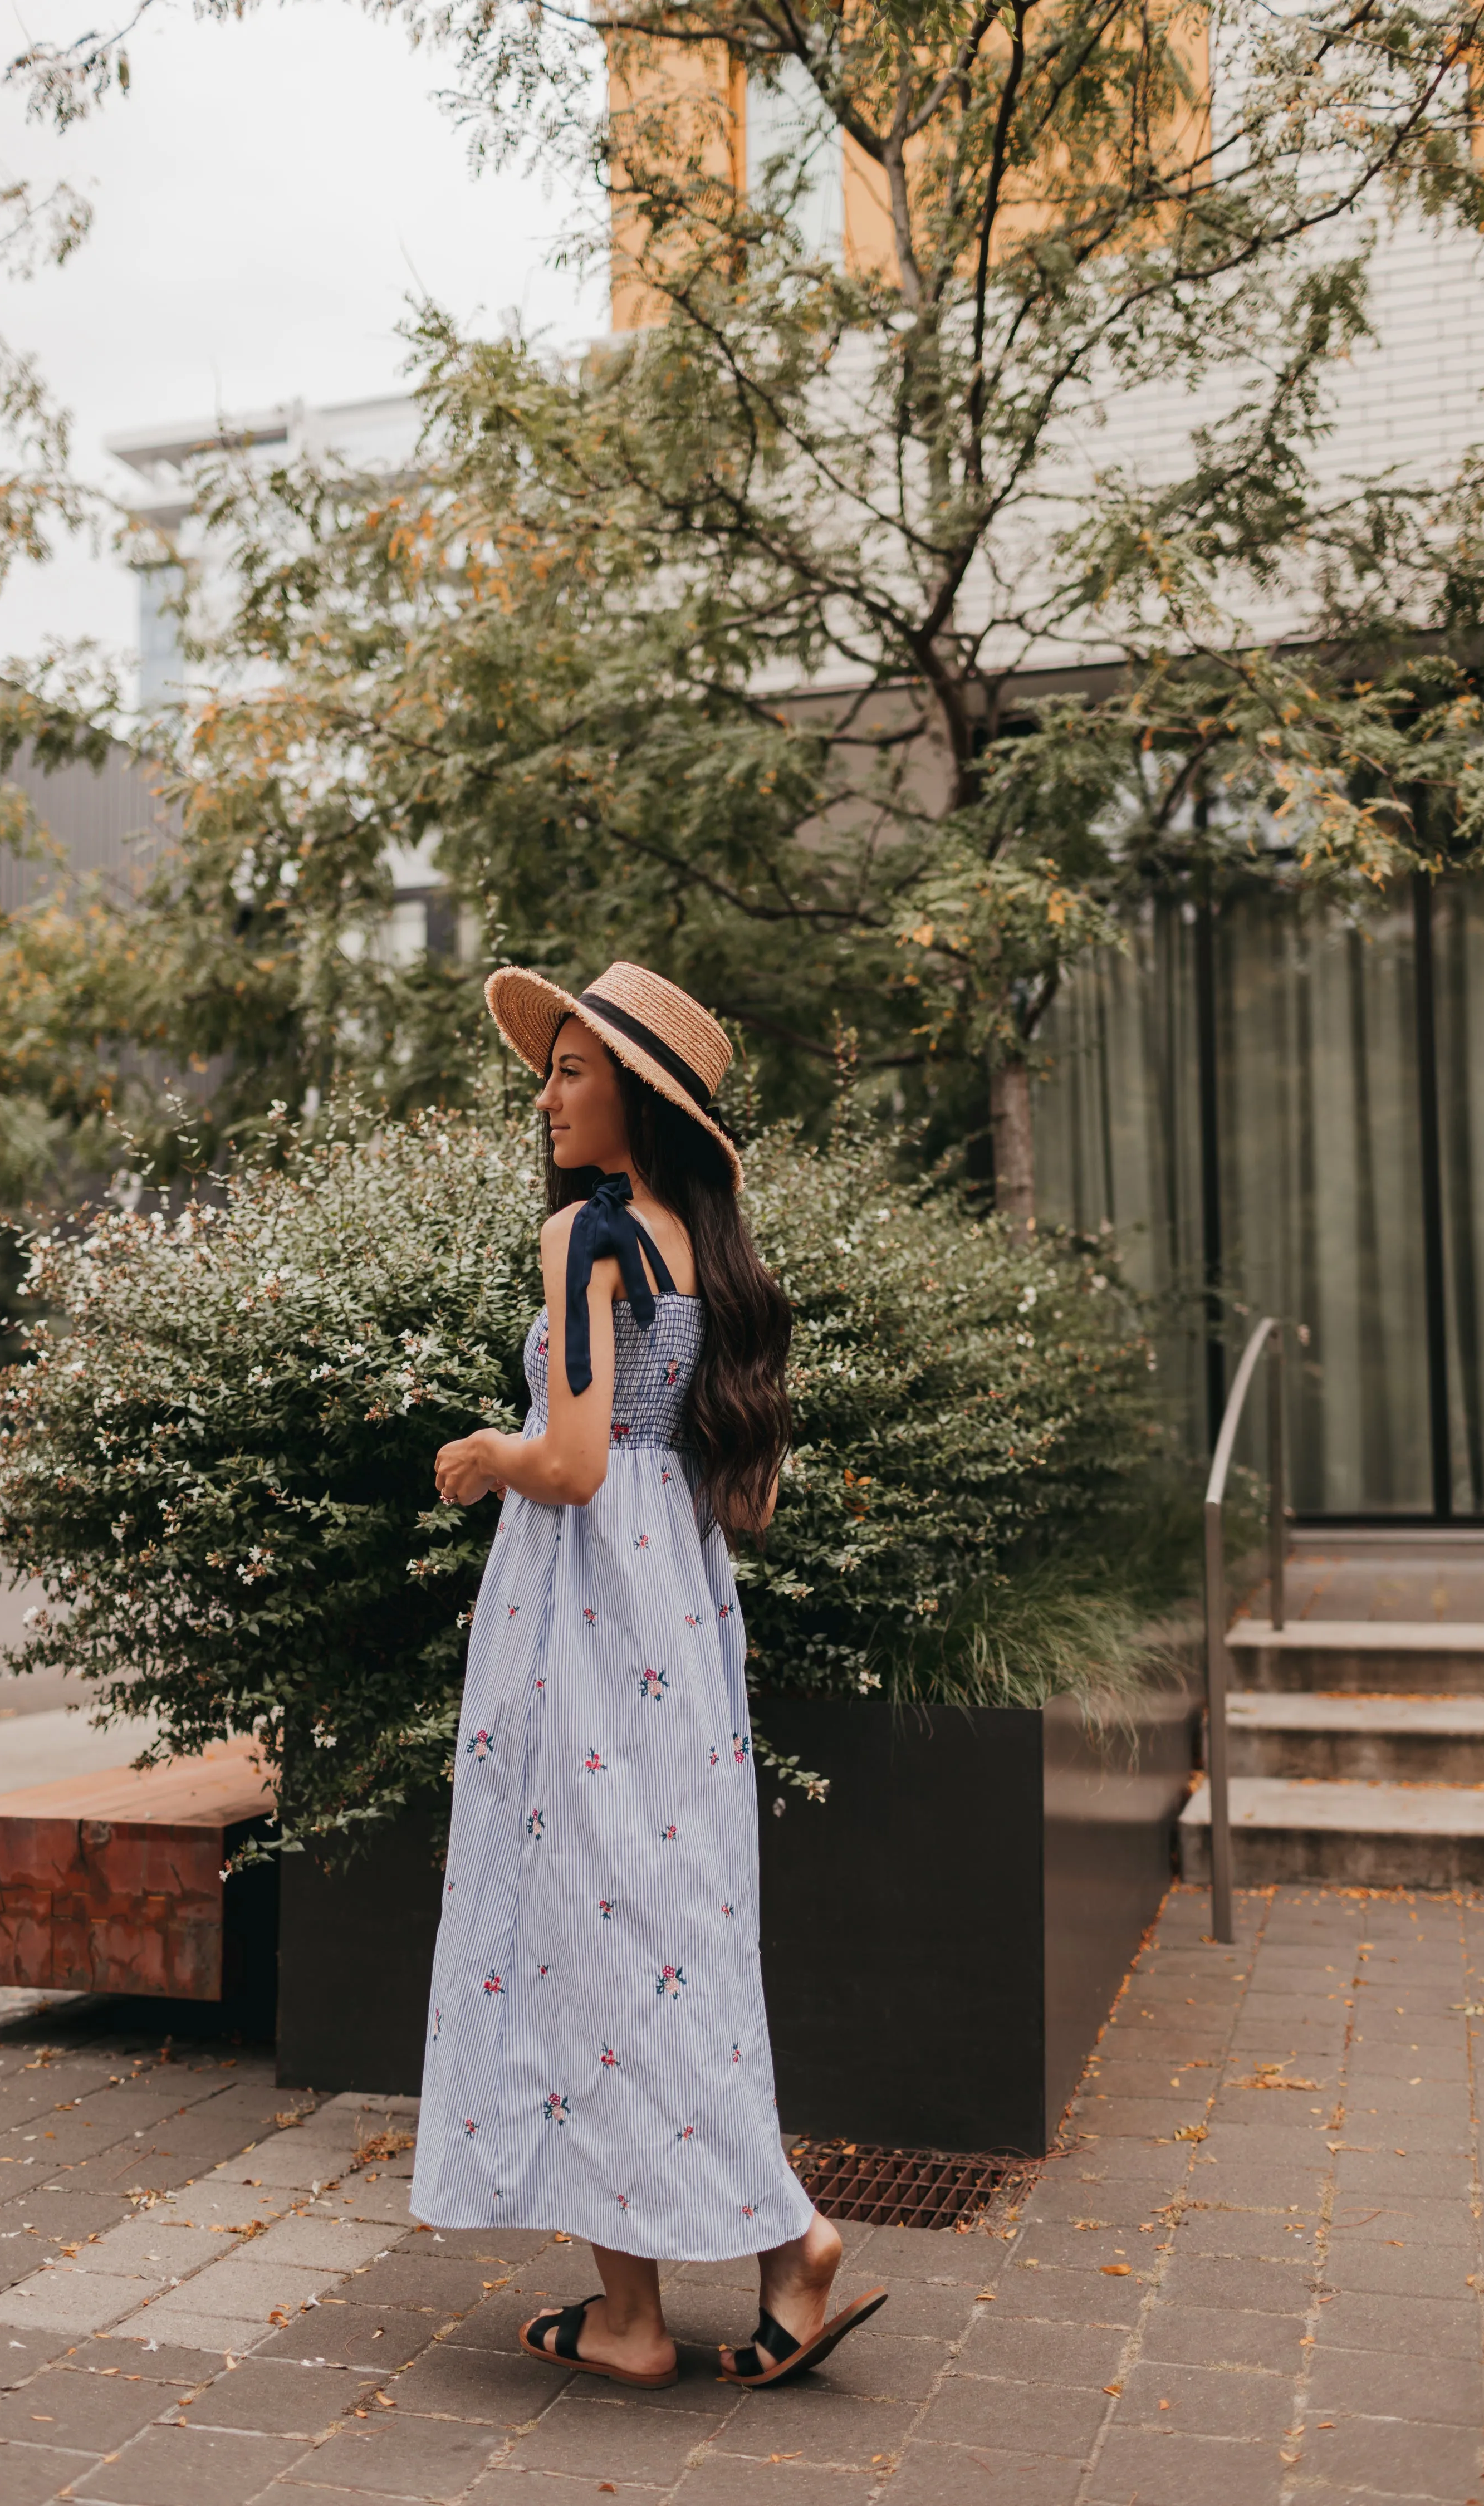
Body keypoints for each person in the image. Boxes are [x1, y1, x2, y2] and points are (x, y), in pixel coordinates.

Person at [410, 961, 886, 2390]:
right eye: (548, 1071)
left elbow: (564, 1462)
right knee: (660, 1932)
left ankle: (771, 2244)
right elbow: (746, 1501)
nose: (546, 1095)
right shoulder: (707, 1253)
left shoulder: (586, 1235)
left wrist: (485, 1455)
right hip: (678, 1620)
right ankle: (649, 2307)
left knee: (585, 1930)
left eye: (571, 1072)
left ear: (637, 1094)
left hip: (584, 1624)